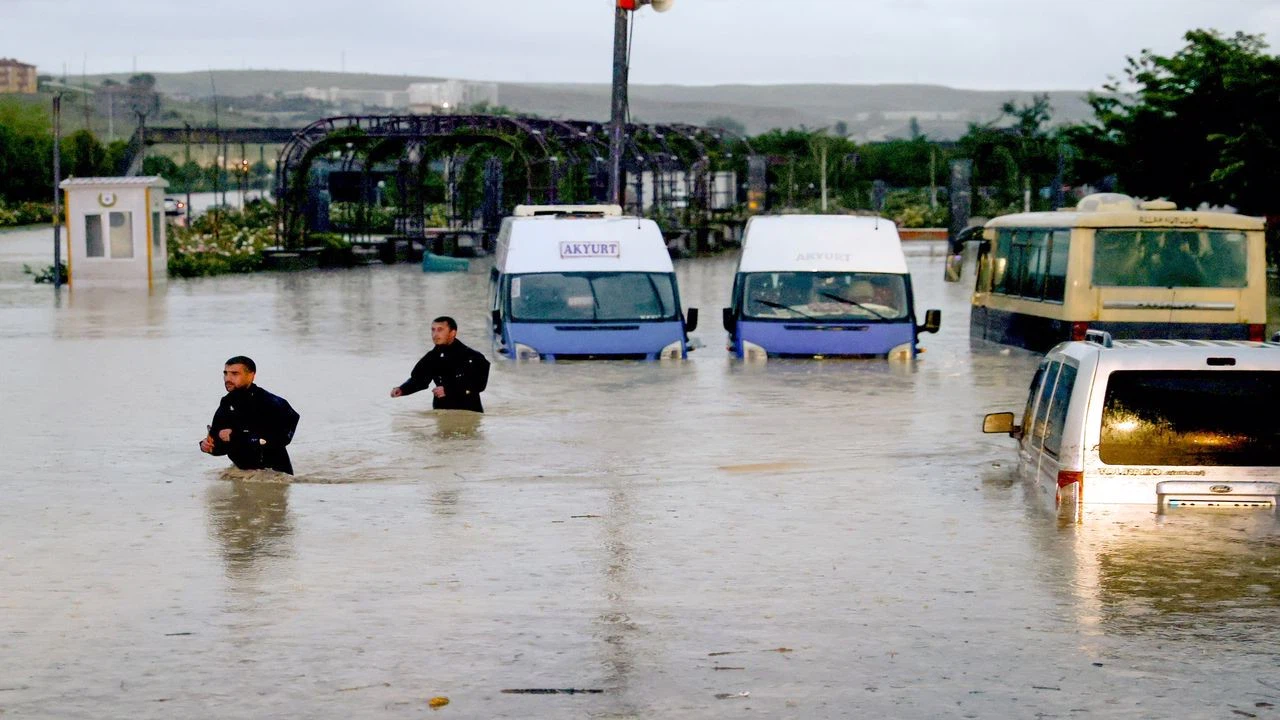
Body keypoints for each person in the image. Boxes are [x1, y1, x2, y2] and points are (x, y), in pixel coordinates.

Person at [199, 356, 301, 475]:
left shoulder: (272, 402)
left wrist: (237, 435)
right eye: (226, 373)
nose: (228, 378)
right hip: (241, 474)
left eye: (235, 374)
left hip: (274, 476)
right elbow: (220, 443)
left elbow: (282, 438)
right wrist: (207, 446)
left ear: (251, 375)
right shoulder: (227, 402)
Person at [391, 316, 490, 413]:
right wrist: (402, 389)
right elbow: (419, 380)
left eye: (440, 330)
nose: (435, 334)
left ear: (453, 333)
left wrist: (448, 390)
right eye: (433, 330)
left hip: (468, 412)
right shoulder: (432, 357)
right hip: (441, 412)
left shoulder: (474, 357)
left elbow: (479, 384)